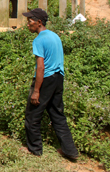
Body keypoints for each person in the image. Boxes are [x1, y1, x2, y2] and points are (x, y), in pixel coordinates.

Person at [22, 8, 79, 161]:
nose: (28, 24)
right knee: (57, 114)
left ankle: (35, 149)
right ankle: (70, 150)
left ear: (39, 22)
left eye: (30, 21)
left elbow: (41, 67)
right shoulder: (55, 36)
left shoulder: (39, 39)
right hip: (58, 78)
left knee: (33, 114)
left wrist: (36, 90)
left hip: (45, 79)